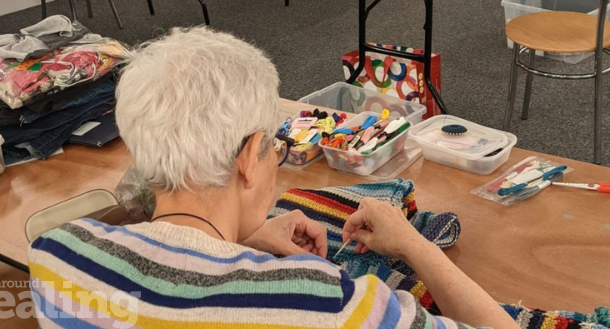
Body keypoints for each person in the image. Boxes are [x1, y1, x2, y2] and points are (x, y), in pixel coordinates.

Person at [27, 27, 519, 329]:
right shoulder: (321, 300)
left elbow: (151, 244)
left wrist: (247, 231)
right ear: (247, 158)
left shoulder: (56, 256)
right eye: (273, 149)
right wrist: (415, 244)